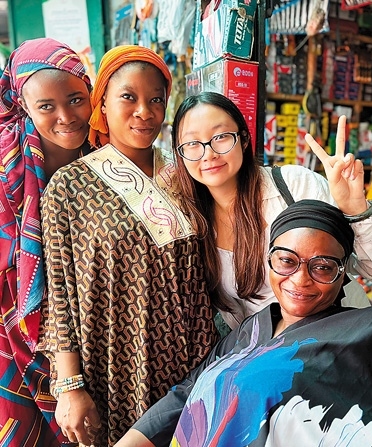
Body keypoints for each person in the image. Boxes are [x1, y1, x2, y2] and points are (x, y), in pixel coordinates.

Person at [36, 45, 217, 447]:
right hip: (110, 364)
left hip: (191, 363)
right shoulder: (69, 186)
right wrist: (70, 385)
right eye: (128, 97)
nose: (144, 112)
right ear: (102, 102)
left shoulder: (186, 174)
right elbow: (59, 293)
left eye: (156, 100)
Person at [115, 199, 372, 447]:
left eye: (323, 267)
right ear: (269, 259)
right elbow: (187, 392)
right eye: (287, 261)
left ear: (342, 271)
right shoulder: (251, 329)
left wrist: (361, 212)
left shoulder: (371, 329)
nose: (301, 279)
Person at [167, 91, 372, 328]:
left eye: (221, 137)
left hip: (341, 337)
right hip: (270, 347)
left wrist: (356, 211)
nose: (209, 154)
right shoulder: (189, 221)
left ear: (244, 139)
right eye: (192, 143)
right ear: (179, 153)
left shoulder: (295, 187)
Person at [0, 37, 92, 447]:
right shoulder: (7, 165)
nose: (66, 117)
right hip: (10, 326)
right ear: (24, 106)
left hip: (87, 326)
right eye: (46, 106)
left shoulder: (108, 152)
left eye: (75, 100)